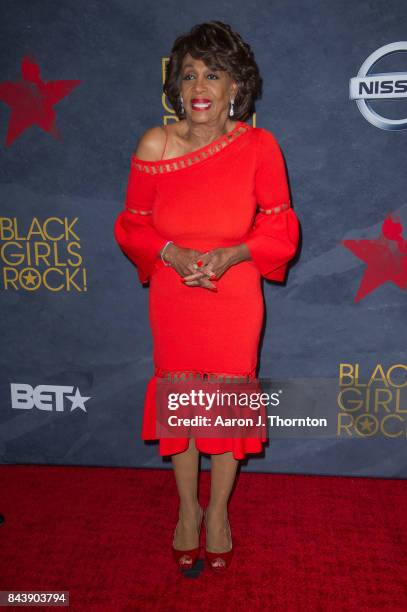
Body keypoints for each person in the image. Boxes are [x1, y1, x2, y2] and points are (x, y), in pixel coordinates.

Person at [114, 20, 300, 573]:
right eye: (189, 74)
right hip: (175, 293)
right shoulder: (156, 142)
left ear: (235, 88)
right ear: (176, 85)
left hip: (233, 291)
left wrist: (232, 255)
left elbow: (279, 227)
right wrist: (170, 255)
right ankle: (186, 513)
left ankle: (217, 513)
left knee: (223, 409)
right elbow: (132, 224)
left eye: (213, 74)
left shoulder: (261, 146)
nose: (200, 85)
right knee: (182, 404)